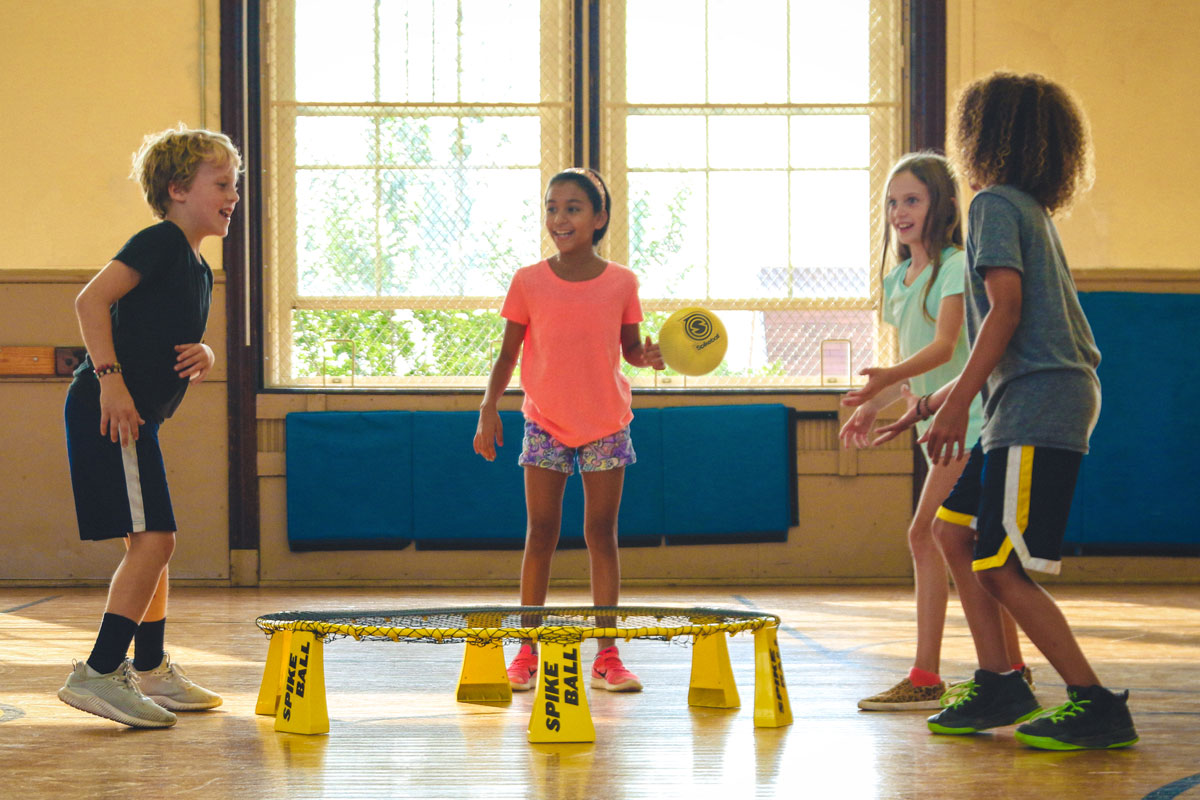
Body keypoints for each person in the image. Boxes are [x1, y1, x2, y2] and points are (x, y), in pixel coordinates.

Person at [874, 72, 1138, 750]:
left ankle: (1095, 701)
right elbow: (1006, 328)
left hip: (1039, 403)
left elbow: (1008, 314)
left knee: (997, 564)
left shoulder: (993, 204)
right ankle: (1000, 680)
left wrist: (957, 405)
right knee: (951, 534)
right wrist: (932, 401)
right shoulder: (1024, 208)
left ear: (983, 136)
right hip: (1020, 402)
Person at [57, 126, 241, 727]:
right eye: (222, 184)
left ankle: (153, 668)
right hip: (112, 410)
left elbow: (165, 333)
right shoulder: (160, 241)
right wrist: (109, 377)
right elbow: (90, 301)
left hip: (138, 419)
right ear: (178, 188)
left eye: (234, 185)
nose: (232, 195)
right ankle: (101, 672)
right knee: (155, 542)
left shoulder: (197, 268)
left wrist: (206, 354)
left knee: (154, 545)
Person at [841, 153, 1029, 711]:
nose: (900, 211)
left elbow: (946, 346)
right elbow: (907, 358)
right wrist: (873, 403)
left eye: (913, 200)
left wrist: (891, 385)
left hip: (971, 421)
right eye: (893, 202)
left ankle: (930, 675)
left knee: (927, 535)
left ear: (940, 205)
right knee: (958, 547)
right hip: (937, 425)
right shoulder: (898, 278)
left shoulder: (955, 265)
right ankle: (1010, 669)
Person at [474, 167, 664, 694]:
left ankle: (607, 654)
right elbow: (508, 354)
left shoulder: (623, 282)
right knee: (540, 533)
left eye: (573, 208)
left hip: (606, 423)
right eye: (552, 207)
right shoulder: (528, 281)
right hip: (545, 423)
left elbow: (628, 349)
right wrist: (489, 407)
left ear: (599, 217)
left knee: (601, 534)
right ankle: (526, 652)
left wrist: (644, 356)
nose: (560, 218)